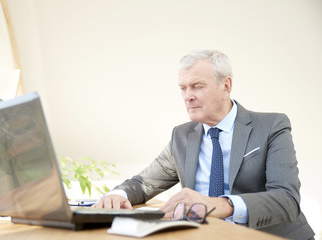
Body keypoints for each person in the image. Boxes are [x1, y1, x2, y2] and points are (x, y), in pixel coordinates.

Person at [92, 49, 315, 239]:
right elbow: (143, 183)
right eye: (183, 88)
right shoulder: (182, 135)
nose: (187, 96)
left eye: (197, 86)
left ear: (226, 86)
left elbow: (287, 199)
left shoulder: (271, 126)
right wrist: (118, 195)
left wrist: (218, 204)